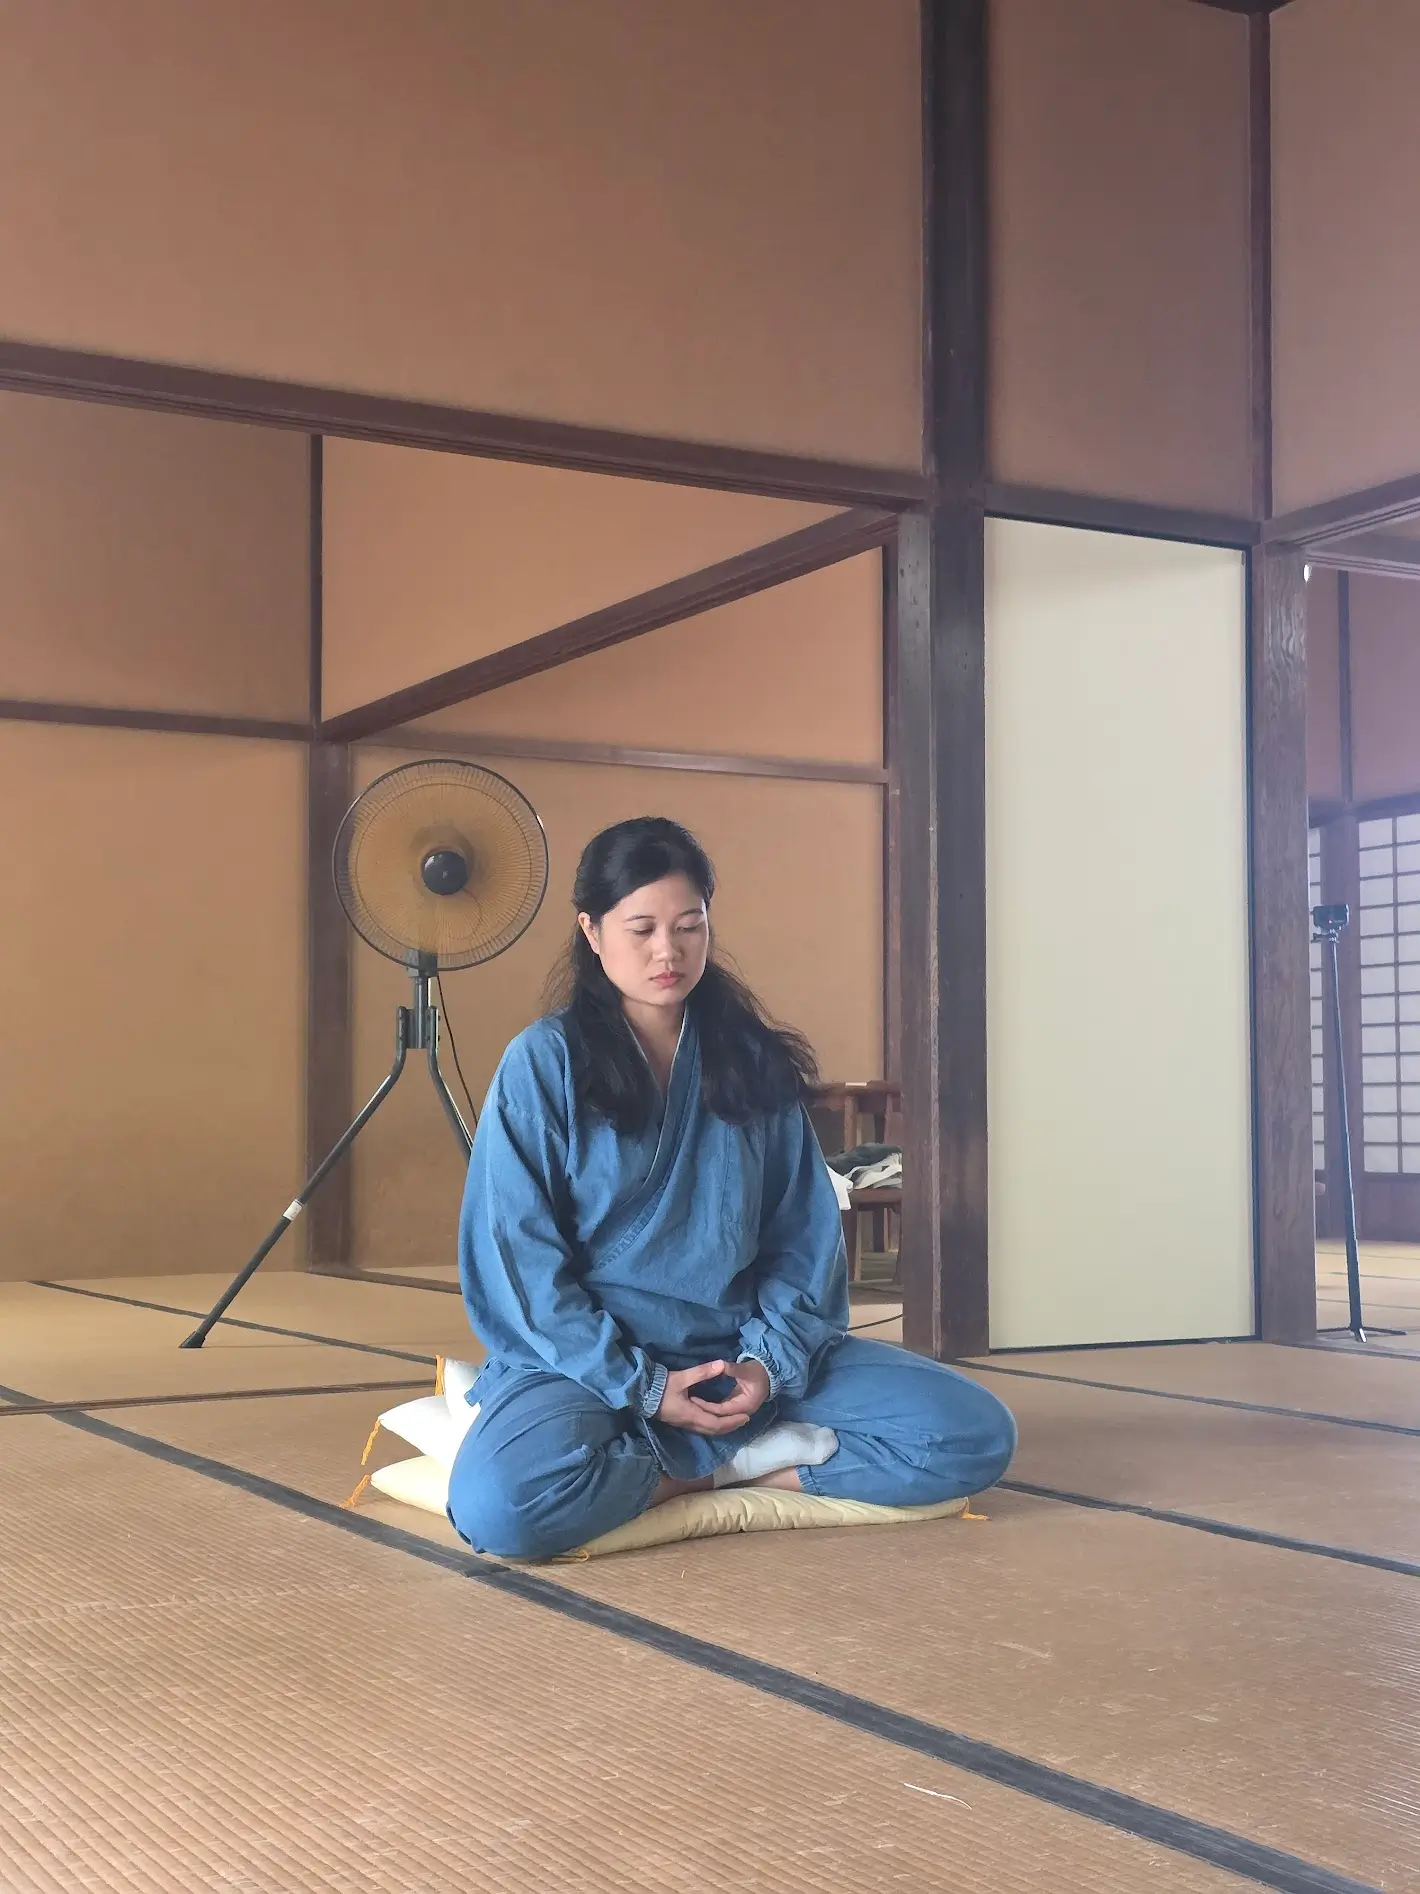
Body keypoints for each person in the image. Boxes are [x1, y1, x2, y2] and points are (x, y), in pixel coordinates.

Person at [447, 817, 1016, 1561]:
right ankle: (732, 1466)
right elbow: (517, 1261)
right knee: (499, 1510)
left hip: (736, 1352)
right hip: (587, 1361)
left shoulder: (749, 1062)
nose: (667, 951)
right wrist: (641, 1385)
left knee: (973, 1432)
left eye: (689, 925)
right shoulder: (542, 1065)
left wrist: (765, 1365)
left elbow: (801, 1241)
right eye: (641, 927)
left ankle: (721, 1460)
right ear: (591, 931)